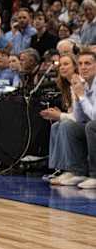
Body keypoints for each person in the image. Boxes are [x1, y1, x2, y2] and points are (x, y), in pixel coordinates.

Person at [47, 51, 96, 189]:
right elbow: (79, 118)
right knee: (68, 126)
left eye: (88, 63)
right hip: (90, 123)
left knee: (91, 126)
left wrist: (81, 96)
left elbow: (93, 117)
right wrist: (76, 95)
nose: (83, 67)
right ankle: (77, 171)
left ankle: (94, 175)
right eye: (80, 64)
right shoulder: (83, 84)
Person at [40, 54, 77, 183]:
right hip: (81, 122)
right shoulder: (67, 86)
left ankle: (72, 170)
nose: (62, 67)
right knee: (56, 125)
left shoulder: (79, 84)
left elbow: (81, 117)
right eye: (60, 65)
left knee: (64, 124)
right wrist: (59, 115)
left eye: (66, 64)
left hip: (89, 123)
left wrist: (60, 116)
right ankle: (59, 168)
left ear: (75, 67)